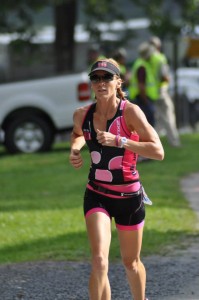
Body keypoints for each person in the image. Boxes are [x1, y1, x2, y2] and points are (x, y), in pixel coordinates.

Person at [69, 57, 164, 300]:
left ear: (118, 81)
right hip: (97, 194)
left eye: (107, 77)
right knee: (99, 260)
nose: (101, 82)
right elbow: (78, 134)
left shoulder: (130, 112)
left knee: (130, 263)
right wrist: (76, 148)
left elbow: (158, 151)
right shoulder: (82, 114)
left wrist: (120, 140)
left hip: (129, 197)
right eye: (95, 78)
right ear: (91, 83)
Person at [149, 36, 181, 147]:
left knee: (158, 119)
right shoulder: (160, 58)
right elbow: (164, 77)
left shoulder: (147, 58)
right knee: (168, 117)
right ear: (159, 46)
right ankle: (174, 142)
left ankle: (152, 142)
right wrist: (168, 78)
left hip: (151, 93)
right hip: (161, 91)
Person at [128, 42, 159, 128]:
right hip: (143, 100)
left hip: (140, 100)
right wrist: (146, 102)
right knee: (148, 127)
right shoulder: (142, 66)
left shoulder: (139, 63)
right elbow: (141, 86)